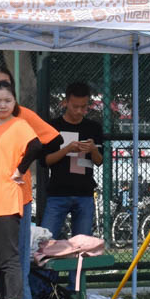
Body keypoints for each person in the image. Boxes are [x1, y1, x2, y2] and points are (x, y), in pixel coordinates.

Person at [0, 65, 61, 299]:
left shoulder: (22, 118)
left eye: (7, 91)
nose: (2, 101)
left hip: (15, 195)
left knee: (15, 257)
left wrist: (21, 167)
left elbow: (47, 142)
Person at [40, 82, 104, 240]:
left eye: (84, 107)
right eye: (75, 106)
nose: (79, 111)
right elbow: (45, 160)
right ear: (65, 102)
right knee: (46, 241)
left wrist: (93, 149)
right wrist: (67, 149)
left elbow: (99, 161)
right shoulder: (53, 127)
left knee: (82, 243)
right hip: (58, 192)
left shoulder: (93, 128)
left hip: (84, 193)